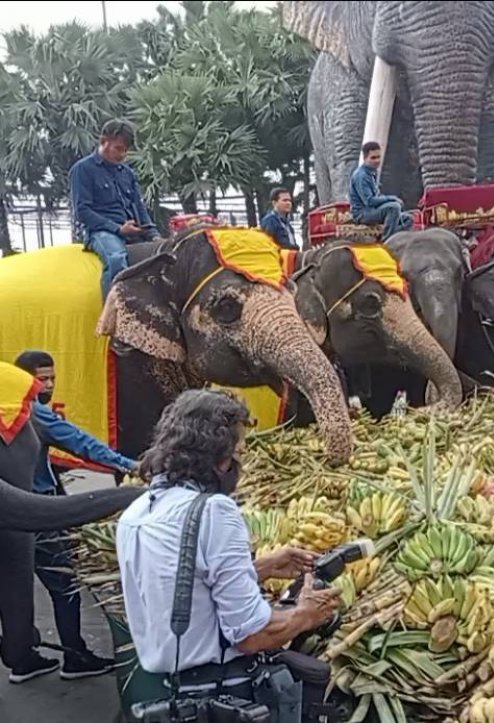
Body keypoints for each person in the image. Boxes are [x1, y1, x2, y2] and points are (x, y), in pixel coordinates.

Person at [116, 389, 340, 699]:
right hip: (220, 691)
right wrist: (304, 615)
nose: (240, 463)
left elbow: (175, 585)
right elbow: (251, 634)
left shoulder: (136, 512)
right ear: (221, 460)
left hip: (169, 692)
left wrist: (259, 568)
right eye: (239, 452)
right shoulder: (213, 511)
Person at [11, 350, 137, 684]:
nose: (49, 385)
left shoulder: (8, 409)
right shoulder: (34, 413)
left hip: (11, 513)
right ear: (25, 381)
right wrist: (130, 466)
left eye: (53, 377)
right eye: (42, 379)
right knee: (64, 582)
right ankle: (75, 656)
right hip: (39, 511)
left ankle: (21, 659)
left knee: (13, 587)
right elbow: (82, 443)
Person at [69, 119, 160, 299]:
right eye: (119, 148)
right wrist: (117, 229)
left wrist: (154, 234)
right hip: (102, 232)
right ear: (104, 141)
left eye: (126, 150)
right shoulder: (82, 170)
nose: (123, 154)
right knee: (116, 259)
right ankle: (113, 317)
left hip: (133, 230)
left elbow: (139, 207)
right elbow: (82, 211)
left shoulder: (127, 173)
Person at [349, 142, 413, 240]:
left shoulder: (371, 173)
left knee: (408, 219)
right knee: (393, 207)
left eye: (379, 157)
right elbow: (369, 201)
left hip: (373, 210)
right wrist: (392, 199)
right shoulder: (361, 176)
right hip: (363, 213)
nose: (377, 161)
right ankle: (387, 238)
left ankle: (394, 235)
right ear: (365, 158)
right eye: (373, 158)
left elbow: (377, 196)